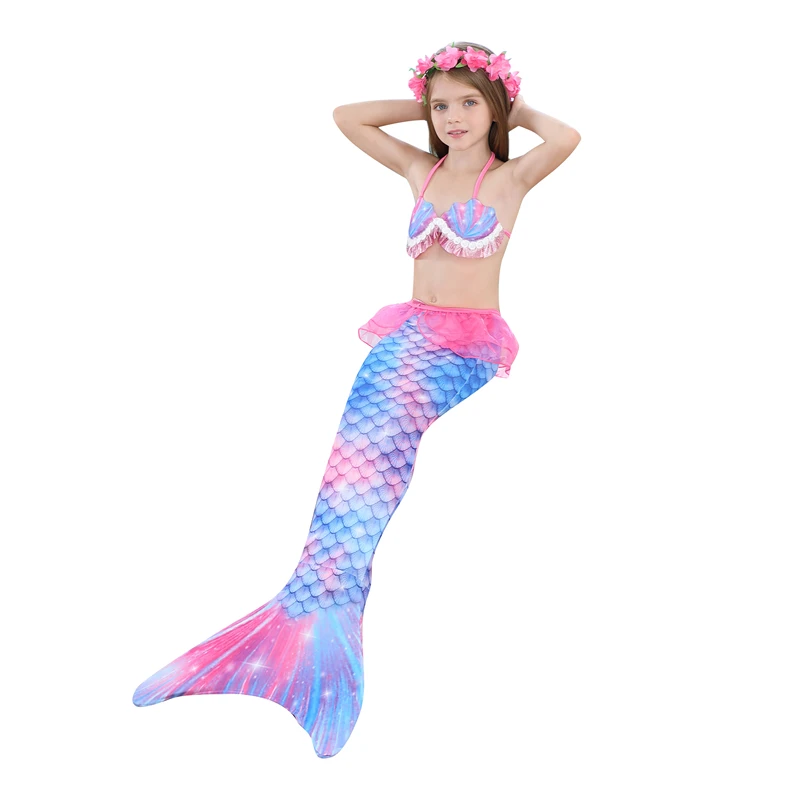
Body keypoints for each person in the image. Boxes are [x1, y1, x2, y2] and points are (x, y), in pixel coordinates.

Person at [132, 40, 580, 758]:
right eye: (442, 105)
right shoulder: (421, 170)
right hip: (411, 334)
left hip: (463, 345)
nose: (453, 117)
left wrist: (507, 106)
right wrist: (425, 104)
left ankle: (320, 612)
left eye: (468, 103)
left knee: (375, 442)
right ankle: (316, 606)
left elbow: (566, 137)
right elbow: (348, 117)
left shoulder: (512, 177)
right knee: (356, 458)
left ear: (494, 106)